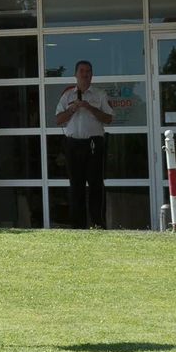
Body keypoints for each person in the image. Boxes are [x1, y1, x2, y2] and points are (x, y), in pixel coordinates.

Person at [54, 60, 113, 229]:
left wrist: (90, 108)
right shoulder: (68, 96)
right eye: (82, 71)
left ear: (91, 75)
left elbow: (108, 119)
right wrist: (72, 109)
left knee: (95, 184)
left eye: (88, 71)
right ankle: (77, 226)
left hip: (94, 144)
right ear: (75, 74)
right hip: (73, 144)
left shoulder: (99, 95)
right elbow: (58, 120)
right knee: (76, 185)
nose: (85, 74)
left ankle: (97, 224)